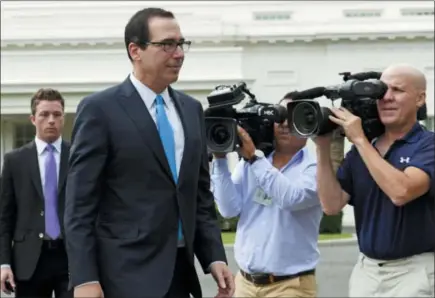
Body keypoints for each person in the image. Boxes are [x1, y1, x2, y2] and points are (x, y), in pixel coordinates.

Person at [64, 7, 234, 298]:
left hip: (181, 276)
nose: (178, 53)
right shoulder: (100, 110)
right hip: (122, 277)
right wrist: (84, 278)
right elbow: (79, 204)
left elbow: (199, 196)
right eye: (167, 44)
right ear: (135, 50)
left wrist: (214, 256)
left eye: (181, 44)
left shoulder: (192, 111)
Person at [314, 63, 434, 297]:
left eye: (397, 90)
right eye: (381, 92)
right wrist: (322, 147)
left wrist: (359, 139)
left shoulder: (428, 144)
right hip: (366, 271)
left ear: (420, 99)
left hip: (415, 271)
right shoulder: (362, 151)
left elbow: (401, 192)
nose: (386, 98)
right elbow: (331, 205)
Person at [211, 95, 322, 298]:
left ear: (308, 123)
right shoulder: (252, 162)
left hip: (290, 286)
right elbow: (229, 209)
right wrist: (219, 159)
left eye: (292, 117)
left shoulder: (315, 168)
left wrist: (254, 158)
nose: (284, 124)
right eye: (279, 116)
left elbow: (290, 198)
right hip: (245, 283)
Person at [0, 88, 72, 298]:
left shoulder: (78, 156)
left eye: (57, 115)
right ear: (33, 119)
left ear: (63, 118)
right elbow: (4, 218)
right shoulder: (15, 161)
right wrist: (4, 263)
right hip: (29, 260)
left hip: (70, 257)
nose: (51, 120)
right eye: (44, 114)